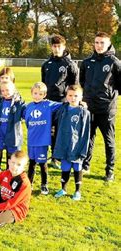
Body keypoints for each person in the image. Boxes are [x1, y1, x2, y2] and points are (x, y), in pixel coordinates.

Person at [80, 32, 121, 181]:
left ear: (108, 43)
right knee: (88, 138)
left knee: (108, 140)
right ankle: (86, 165)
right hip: (89, 107)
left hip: (106, 109)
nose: (99, 45)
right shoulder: (86, 62)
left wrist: (109, 96)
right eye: (96, 42)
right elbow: (82, 82)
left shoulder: (114, 62)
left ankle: (109, 170)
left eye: (102, 43)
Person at [41, 35, 79, 168]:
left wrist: (72, 102)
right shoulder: (46, 64)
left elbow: (75, 86)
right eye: (54, 46)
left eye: (59, 46)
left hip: (63, 102)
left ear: (64, 47)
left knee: (60, 131)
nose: (56, 49)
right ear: (51, 47)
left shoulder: (70, 65)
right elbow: (43, 85)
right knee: (48, 130)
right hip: (47, 103)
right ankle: (48, 155)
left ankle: (58, 157)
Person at [22, 82, 62, 194]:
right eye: (35, 93)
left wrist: (79, 102)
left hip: (42, 141)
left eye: (40, 94)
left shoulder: (48, 105)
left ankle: (44, 184)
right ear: (31, 93)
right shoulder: (28, 107)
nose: (37, 96)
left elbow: (63, 104)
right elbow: (24, 118)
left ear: (44, 95)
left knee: (42, 163)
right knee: (32, 163)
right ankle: (29, 184)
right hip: (31, 140)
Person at [53, 85, 90, 200]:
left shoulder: (84, 112)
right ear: (66, 96)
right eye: (70, 95)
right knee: (65, 167)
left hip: (77, 145)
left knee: (77, 167)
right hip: (64, 144)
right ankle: (63, 189)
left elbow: (86, 132)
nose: (73, 98)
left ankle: (77, 191)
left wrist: (83, 148)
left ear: (81, 97)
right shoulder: (62, 109)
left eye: (76, 96)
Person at [0, 80, 24, 173]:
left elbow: (25, 112)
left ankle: (9, 174)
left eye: (7, 90)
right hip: (0, 134)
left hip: (12, 135)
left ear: (14, 90)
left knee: (11, 157)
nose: (5, 93)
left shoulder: (18, 103)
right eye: (3, 91)